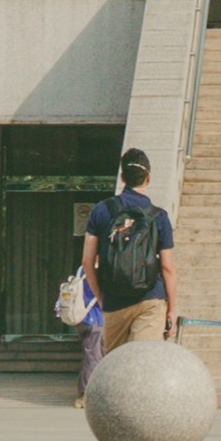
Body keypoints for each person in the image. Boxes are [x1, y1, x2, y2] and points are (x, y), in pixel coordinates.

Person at [78, 147, 182, 370]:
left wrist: (101, 297)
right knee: (143, 366)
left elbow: (87, 261)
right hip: (150, 300)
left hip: (115, 301)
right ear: (148, 177)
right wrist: (172, 308)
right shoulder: (159, 216)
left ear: (122, 177)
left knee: (116, 369)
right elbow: (167, 267)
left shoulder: (101, 211)